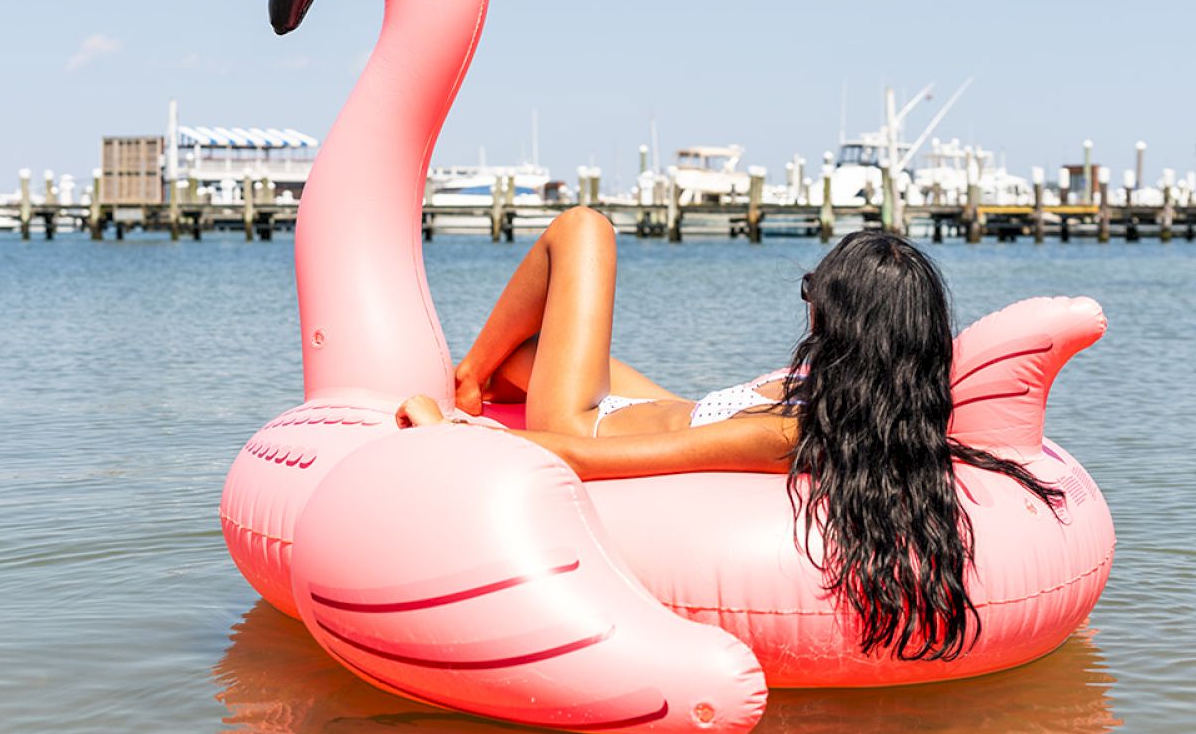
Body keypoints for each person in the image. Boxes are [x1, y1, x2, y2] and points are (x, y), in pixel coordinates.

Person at [396, 209, 1065, 660]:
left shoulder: (783, 437)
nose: (806, 306)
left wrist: (454, 435)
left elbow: (599, 460)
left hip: (587, 421)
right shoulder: (869, 402)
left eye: (815, 293)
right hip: (666, 403)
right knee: (532, 352)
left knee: (584, 229)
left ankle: (467, 381)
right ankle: (487, 372)